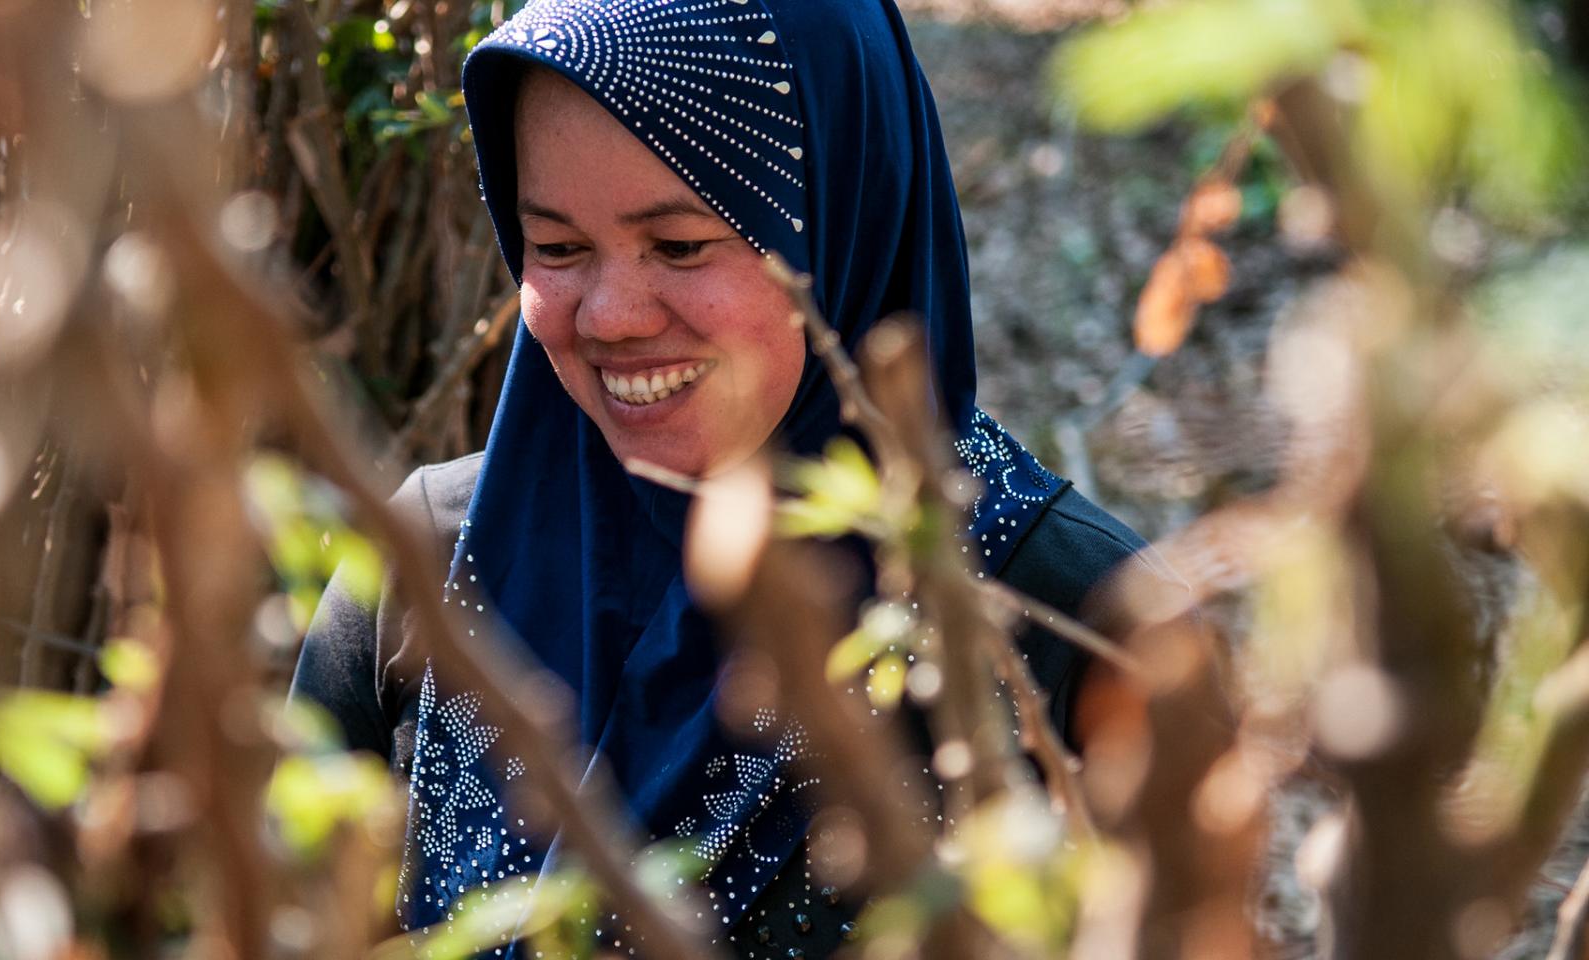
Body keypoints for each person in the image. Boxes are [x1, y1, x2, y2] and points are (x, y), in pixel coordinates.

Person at [293, 0, 1154, 954]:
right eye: (560, 248)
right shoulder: (427, 571)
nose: (611, 315)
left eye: (681, 245)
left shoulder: (1078, 626)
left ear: (843, 219)